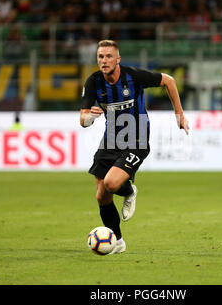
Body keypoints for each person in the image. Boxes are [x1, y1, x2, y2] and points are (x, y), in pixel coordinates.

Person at [80, 40, 189, 254]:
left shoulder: (133, 76)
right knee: (101, 196)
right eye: (100, 57)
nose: (104, 61)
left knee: (111, 183)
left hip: (136, 140)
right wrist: (90, 118)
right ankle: (118, 242)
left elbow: (169, 81)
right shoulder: (93, 82)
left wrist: (180, 115)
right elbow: (82, 120)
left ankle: (129, 191)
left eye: (109, 56)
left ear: (117, 59)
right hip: (110, 140)